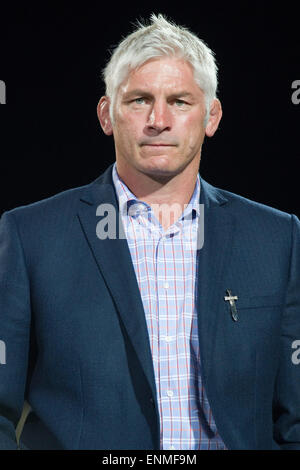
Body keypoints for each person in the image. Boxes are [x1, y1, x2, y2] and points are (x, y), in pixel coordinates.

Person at [0, 13, 300, 451]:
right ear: (107, 114)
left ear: (211, 116)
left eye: (179, 102)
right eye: (139, 100)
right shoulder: (30, 237)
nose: (159, 119)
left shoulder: (278, 239)